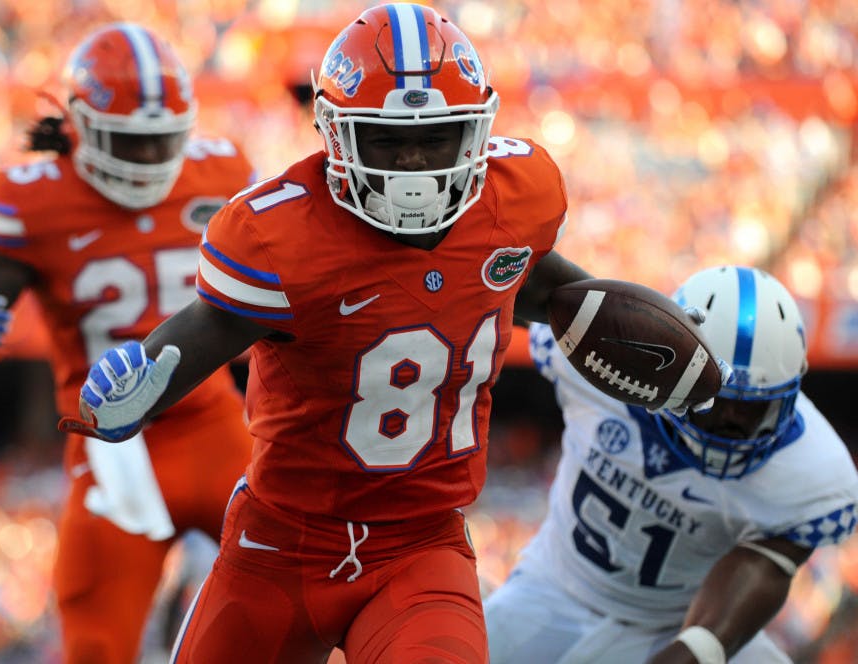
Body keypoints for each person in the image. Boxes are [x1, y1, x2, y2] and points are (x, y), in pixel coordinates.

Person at [59, 5, 711, 662]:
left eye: (438, 138)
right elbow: (205, 330)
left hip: (420, 548)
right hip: (280, 547)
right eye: (386, 140)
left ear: (477, 131)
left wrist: (660, 361)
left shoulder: (512, 203)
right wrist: (131, 386)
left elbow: (550, 292)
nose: (414, 164)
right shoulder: (279, 238)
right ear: (336, 136)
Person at [0, 22, 256, 664]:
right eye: (131, 144)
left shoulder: (222, 170)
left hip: (215, 427)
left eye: (164, 141)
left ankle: (193, 600)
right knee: (96, 646)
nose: (150, 160)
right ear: (79, 126)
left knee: (309, 597)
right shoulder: (33, 200)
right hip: (111, 449)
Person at [484, 265, 858, 664]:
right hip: (554, 589)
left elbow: (764, 565)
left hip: (677, 621)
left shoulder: (813, 470)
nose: (731, 421)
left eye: (755, 407)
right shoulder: (612, 363)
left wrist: (697, 650)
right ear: (673, 369)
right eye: (715, 399)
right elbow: (506, 291)